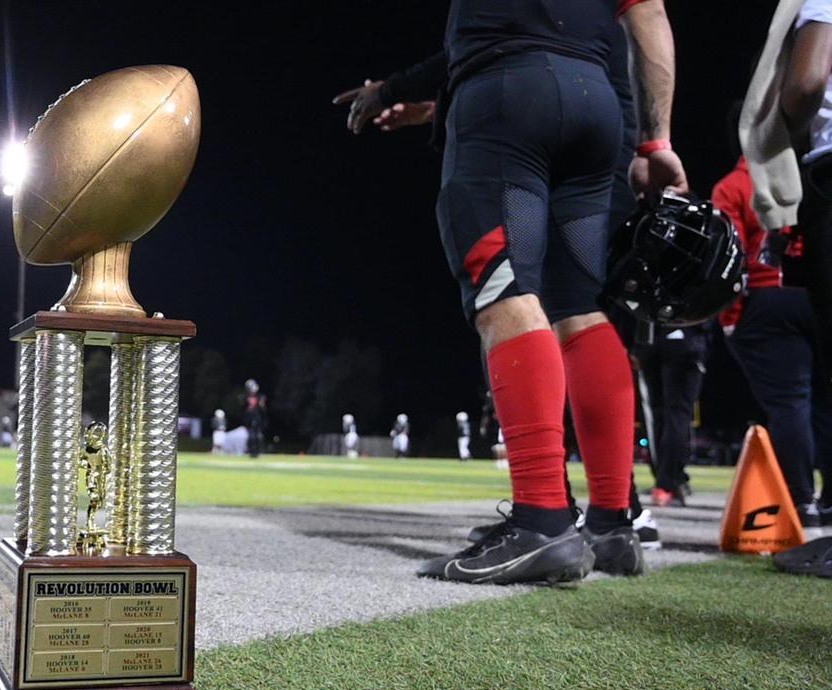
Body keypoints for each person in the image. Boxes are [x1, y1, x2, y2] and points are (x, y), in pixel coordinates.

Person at [338, 0, 684, 584]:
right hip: (595, 107)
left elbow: (498, 34)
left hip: (508, 102)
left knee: (506, 291)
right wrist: (656, 143)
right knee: (580, 309)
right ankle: (613, 521)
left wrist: (397, 89)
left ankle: (542, 520)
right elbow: (648, 15)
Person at [714, 154, 832, 527]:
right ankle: (829, 501)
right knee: (826, 401)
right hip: (818, 292)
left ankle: (801, 503)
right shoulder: (814, 174)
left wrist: (731, 317)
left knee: (788, 403)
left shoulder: (734, 186)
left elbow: (726, 260)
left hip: (768, 299)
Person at [633, 324, 710, 506]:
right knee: (678, 415)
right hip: (684, 338)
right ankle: (668, 483)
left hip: (651, 339)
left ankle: (667, 479)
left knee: (657, 415)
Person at [242, 379, 267, 458]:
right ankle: (251, 451)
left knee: (258, 436)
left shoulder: (260, 397)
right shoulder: (245, 397)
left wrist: (262, 405)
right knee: (251, 436)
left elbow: (263, 410)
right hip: (249, 419)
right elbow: (243, 408)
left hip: (257, 419)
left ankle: (258, 451)